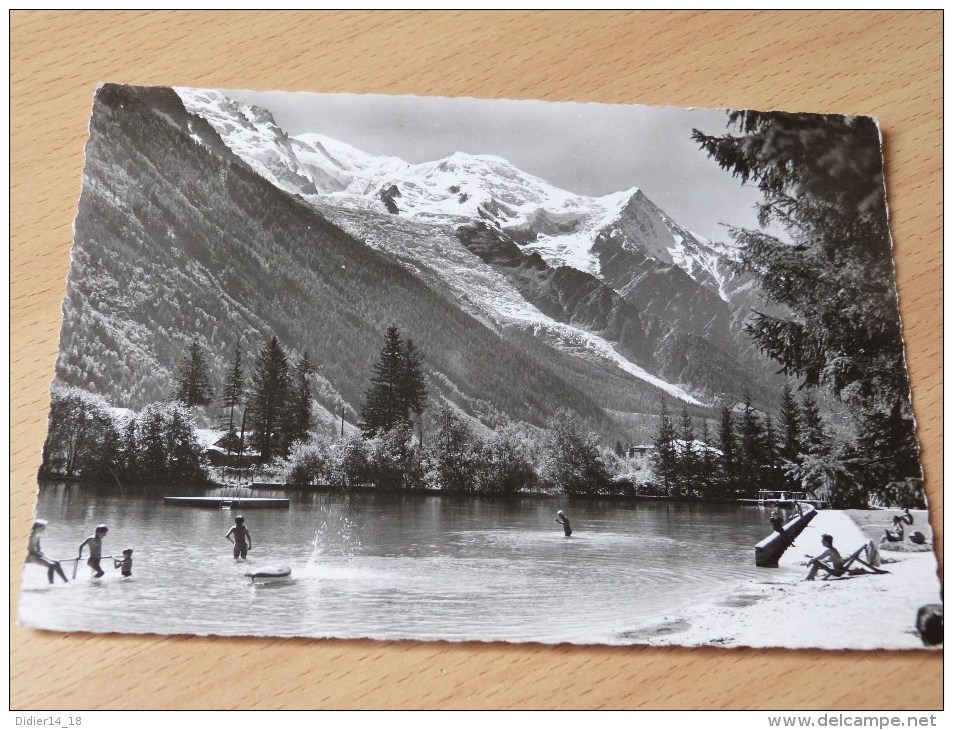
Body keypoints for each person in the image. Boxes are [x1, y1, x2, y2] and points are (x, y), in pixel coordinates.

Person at [25, 519, 69, 584]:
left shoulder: (38, 535)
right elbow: (31, 551)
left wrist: (45, 556)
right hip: (29, 556)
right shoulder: (31, 536)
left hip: (35, 554)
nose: (44, 529)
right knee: (51, 565)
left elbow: (38, 549)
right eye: (43, 527)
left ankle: (66, 581)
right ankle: (51, 583)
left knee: (57, 562)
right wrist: (42, 557)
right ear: (38, 527)